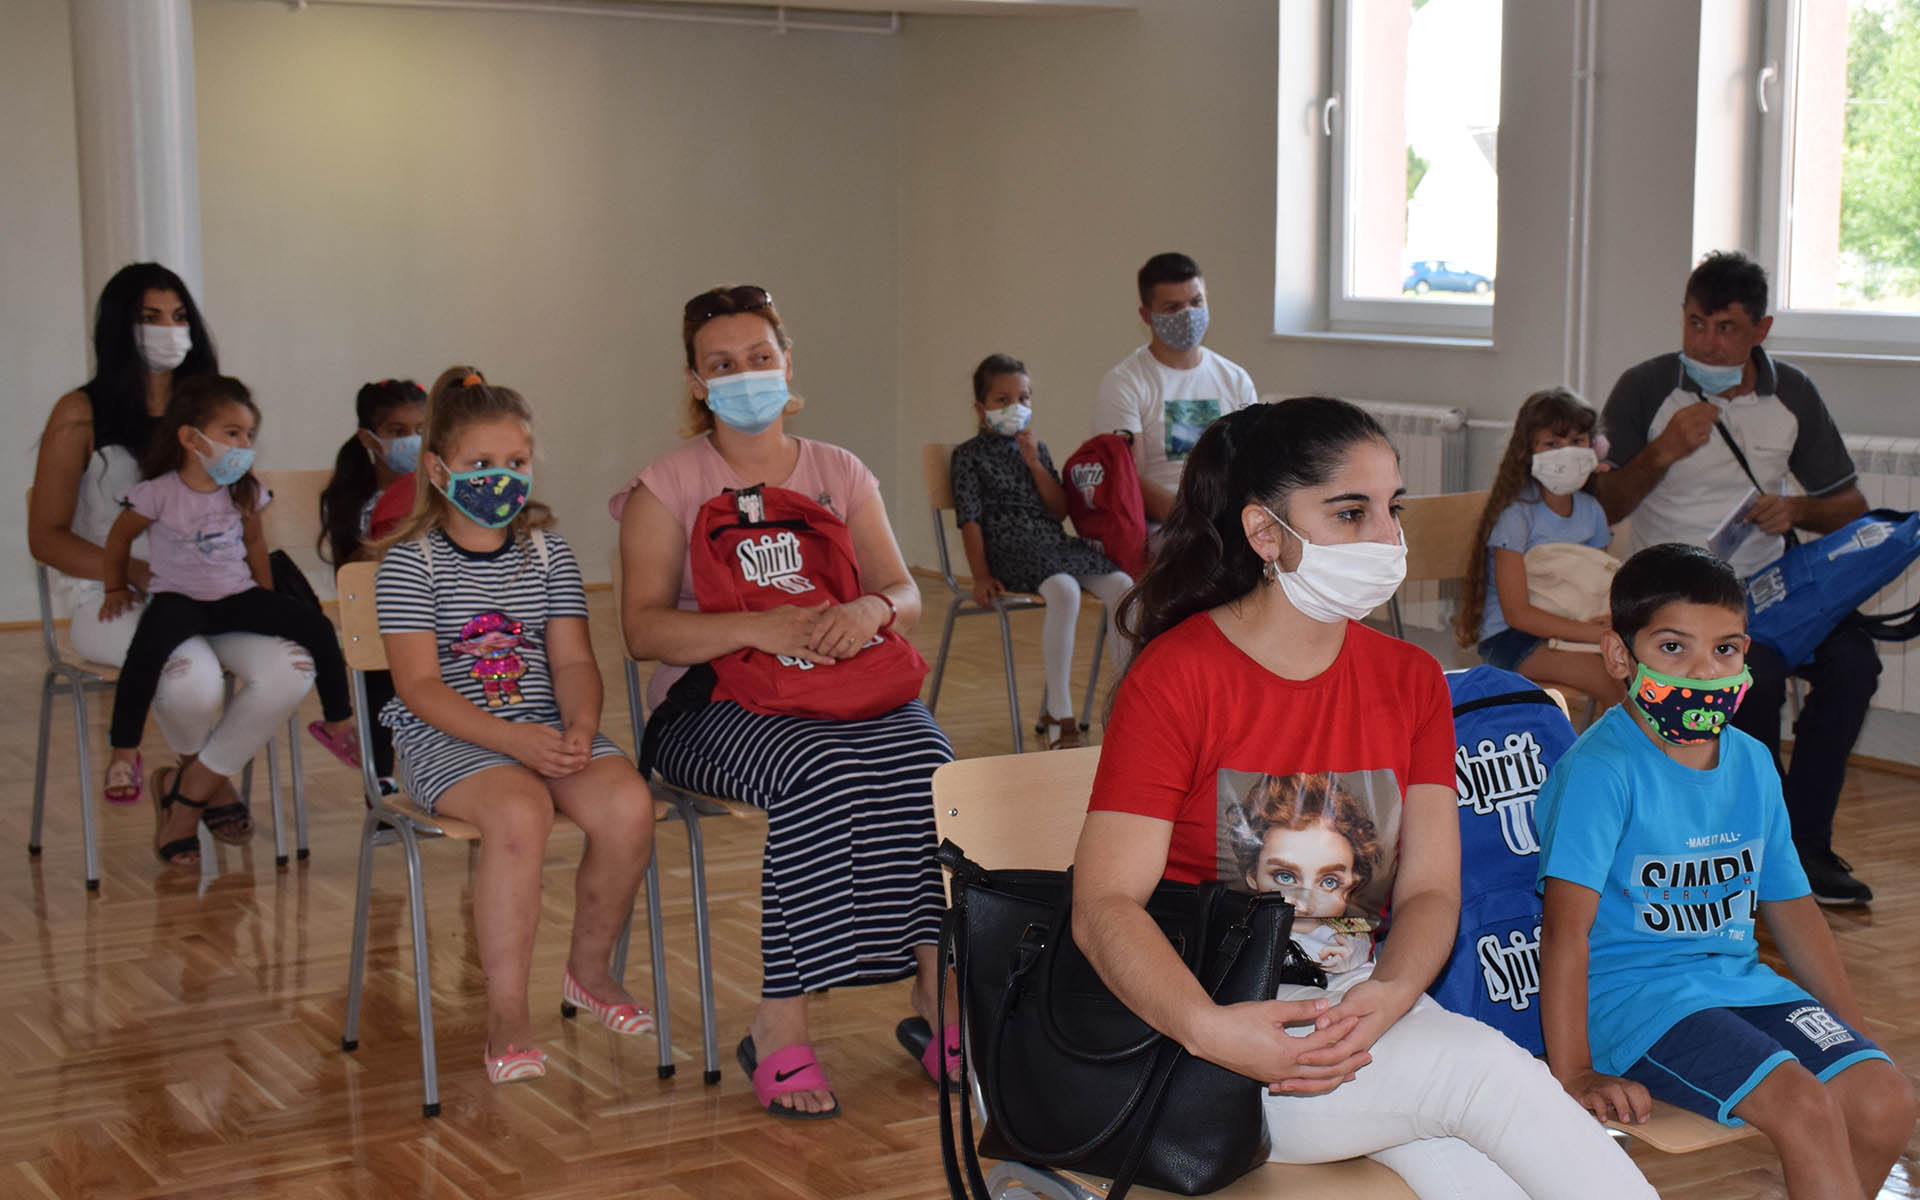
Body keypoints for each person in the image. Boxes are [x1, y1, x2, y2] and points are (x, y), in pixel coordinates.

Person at [1073, 397, 1657, 1198]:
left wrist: (1390, 995)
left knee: (1488, 1176)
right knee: (1483, 1076)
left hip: (1363, 1020)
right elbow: (1103, 905)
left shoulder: (1411, 679)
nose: (1387, 538)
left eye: (1393, 509)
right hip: (1208, 1043)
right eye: (1351, 513)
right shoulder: (1178, 678)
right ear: (1266, 532)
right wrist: (1212, 1030)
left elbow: (1430, 891)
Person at [614, 285, 953, 1120]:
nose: (745, 375)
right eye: (723, 364)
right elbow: (642, 630)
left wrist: (869, 611)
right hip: (710, 707)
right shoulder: (667, 485)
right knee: (820, 771)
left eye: (759, 357)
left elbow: (904, 591)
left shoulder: (840, 470)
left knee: (932, 765)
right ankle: (781, 1023)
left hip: (844, 680)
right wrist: (755, 628)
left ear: (787, 363)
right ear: (697, 382)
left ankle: (937, 993)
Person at [1536, 542, 1914, 1197]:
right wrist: (1574, 1072)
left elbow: (1793, 908)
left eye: (1726, 649)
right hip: (1637, 1006)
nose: (1704, 671)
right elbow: (1565, 932)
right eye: (1673, 648)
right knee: (1803, 1105)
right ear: (1620, 656)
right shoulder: (1601, 770)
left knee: (1886, 1101)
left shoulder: (1753, 762)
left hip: (1739, 986)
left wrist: (1850, 1030)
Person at [375, 370, 656, 1085]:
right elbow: (418, 686)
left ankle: (589, 970)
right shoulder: (410, 562)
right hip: (447, 739)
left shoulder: (547, 551)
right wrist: (509, 741)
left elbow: (573, 662)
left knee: (627, 805)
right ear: (438, 469)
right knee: (520, 812)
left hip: (541, 726)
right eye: (480, 463)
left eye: (516, 462)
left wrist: (581, 725)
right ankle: (506, 1015)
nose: (501, 477)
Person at [1596, 251, 1877, 906]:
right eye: (1695, 323)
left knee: (1854, 663)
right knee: (1759, 674)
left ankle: (1805, 844)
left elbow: (1851, 507)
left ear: (1761, 330)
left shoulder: (1792, 393)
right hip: (1671, 589)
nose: (1705, 343)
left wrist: (1796, 510)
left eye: (1725, 328)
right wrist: (1663, 451)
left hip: (1767, 586)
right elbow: (1602, 508)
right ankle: (1756, 844)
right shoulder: (1645, 386)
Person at [29, 262, 313, 830]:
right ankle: (205, 793)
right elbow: (46, 537)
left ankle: (186, 791)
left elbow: (245, 516)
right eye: (150, 317)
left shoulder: (216, 411)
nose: (169, 330)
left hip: (216, 589)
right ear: (120, 326)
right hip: (113, 598)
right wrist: (134, 571)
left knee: (293, 667)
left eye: (179, 317)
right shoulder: (80, 413)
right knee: (193, 678)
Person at [99, 376, 357, 865]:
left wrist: (266, 597)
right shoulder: (157, 493)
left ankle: (337, 720)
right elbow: (118, 539)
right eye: (232, 433)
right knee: (143, 660)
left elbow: (255, 543)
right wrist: (115, 587)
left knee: (318, 627)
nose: (243, 445)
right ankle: (124, 753)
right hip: (178, 600)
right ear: (190, 438)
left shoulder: (244, 491)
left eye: (248, 435)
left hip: (235, 597)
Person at [950, 353, 1132, 748]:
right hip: (1007, 548)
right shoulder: (967, 456)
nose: (1015, 407)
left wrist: (1035, 463)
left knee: (1122, 585)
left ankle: (1130, 701)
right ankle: (1059, 713)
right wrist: (980, 576)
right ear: (981, 408)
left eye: (1023, 398)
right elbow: (970, 520)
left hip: (1050, 542)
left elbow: (1059, 510)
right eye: (1002, 400)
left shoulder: (1037, 449)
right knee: (1064, 590)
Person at [1456, 388, 1624, 706]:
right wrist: (1595, 635)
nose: (1567, 452)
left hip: (1576, 630)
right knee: (1608, 678)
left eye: (1577, 441)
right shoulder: (1516, 516)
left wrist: (1606, 624)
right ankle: (1628, 740)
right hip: (1512, 639)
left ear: (1593, 447)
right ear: (1527, 451)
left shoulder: (1591, 511)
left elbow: (1598, 587)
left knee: (1633, 671)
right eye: (1552, 444)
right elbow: (1517, 614)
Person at [1091, 252, 1258, 527]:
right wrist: (1195, 521)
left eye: (1196, 302)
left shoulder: (1235, 379)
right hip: (1163, 528)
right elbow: (1129, 480)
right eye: (1172, 308)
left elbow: (1251, 465)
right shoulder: (1124, 383)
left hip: (1228, 521)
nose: (1188, 315)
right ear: (1146, 315)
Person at [319, 377, 429, 788]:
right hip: (380, 621)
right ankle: (381, 778)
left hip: (435, 619)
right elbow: (352, 574)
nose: (412, 441)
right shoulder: (351, 499)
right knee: (378, 673)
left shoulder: (438, 492)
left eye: (421, 430)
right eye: (398, 431)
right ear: (369, 438)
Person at [1227, 772, 1379, 972]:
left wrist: (1356, 953)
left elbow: (1364, 936)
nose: (1305, 905)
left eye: (1329, 882)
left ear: (1353, 884)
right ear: (1253, 876)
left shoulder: (1343, 925)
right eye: (1285, 877)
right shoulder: (1243, 921)